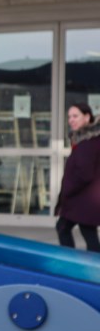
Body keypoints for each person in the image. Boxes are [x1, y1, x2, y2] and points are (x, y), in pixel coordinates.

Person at [55, 103, 100, 252]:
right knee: (87, 232)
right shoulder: (86, 141)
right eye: (69, 117)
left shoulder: (87, 143)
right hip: (84, 200)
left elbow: (84, 174)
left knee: (63, 228)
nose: (71, 120)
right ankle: (92, 266)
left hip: (81, 199)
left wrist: (68, 189)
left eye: (75, 116)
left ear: (87, 117)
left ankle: (72, 263)